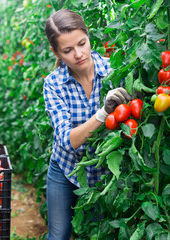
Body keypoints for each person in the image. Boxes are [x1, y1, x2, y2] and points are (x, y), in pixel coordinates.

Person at [43, 9, 131, 240]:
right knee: (59, 234)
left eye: (82, 43)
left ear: (88, 36)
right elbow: (68, 140)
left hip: (106, 173)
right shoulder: (53, 84)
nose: (79, 54)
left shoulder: (115, 71)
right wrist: (104, 113)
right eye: (67, 50)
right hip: (66, 168)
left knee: (98, 234)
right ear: (56, 52)